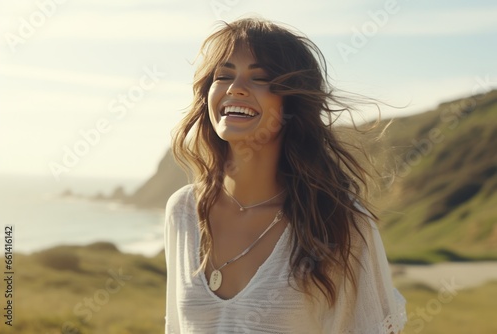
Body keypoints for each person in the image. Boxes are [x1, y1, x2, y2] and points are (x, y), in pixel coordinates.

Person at [164, 17, 407, 333]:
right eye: (223, 75)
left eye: (260, 78)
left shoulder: (339, 222)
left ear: (292, 101)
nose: (235, 88)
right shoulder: (183, 211)